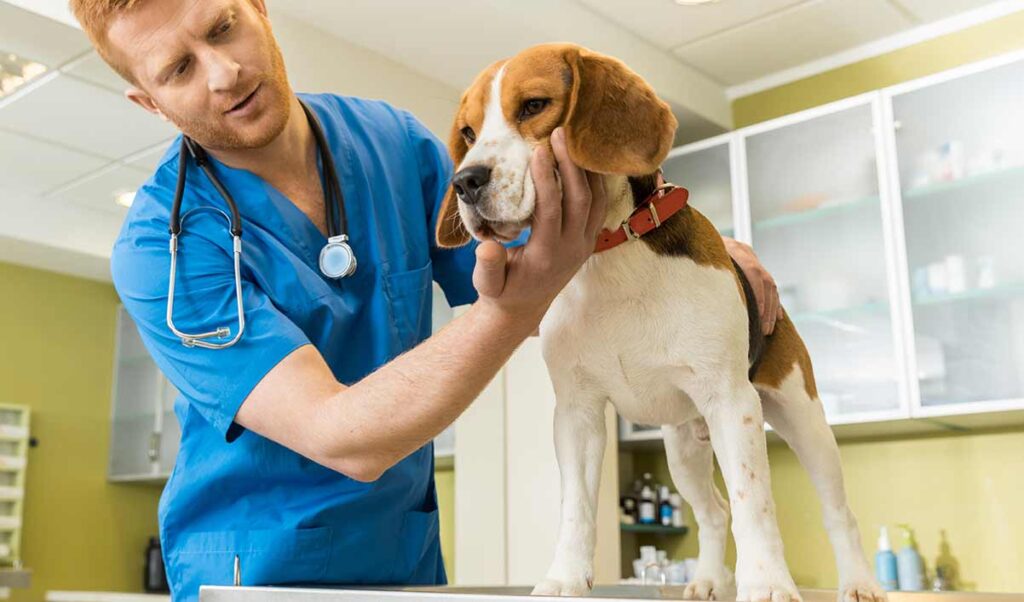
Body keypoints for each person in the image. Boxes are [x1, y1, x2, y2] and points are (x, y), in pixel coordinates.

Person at [69, 1, 783, 600]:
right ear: (149, 102)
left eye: (223, 27)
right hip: (255, 570)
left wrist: (695, 261)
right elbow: (340, 436)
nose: (225, 71)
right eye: (179, 69)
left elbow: (558, 273)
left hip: (404, 551)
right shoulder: (160, 250)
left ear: (257, 8)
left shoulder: (394, 144)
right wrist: (508, 311)